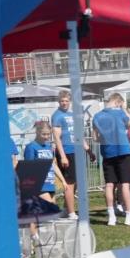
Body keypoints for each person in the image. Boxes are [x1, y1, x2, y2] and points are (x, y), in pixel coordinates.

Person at [93, 93, 130, 226]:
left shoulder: (97, 116)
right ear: (118, 102)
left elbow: (95, 138)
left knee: (109, 185)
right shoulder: (120, 113)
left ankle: (111, 216)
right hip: (122, 151)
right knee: (125, 183)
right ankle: (129, 215)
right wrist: (124, 110)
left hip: (107, 152)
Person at [51, 89, 89, 220]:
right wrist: (62, 156)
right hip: (66, 152)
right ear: (59, 102)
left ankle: (66, 209)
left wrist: (88, 149)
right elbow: (57, 138)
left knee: (76, 182)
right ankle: (72, 213)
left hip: (77, 151)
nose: (64, 103)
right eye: (62, 101)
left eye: (66, 101)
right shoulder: (57, 116)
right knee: (69, 183)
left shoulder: (72, 114)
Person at [23, 121, 65, 205]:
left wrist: (63, 180)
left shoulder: (48, 147)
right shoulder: (31, 147)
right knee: (50, 207)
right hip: (39, 184)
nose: (46, 136)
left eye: (48, 134)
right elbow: (28, 167)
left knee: (51, 209)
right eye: (44, 134)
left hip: (50, 184)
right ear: (37, 132)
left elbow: (53, 165)